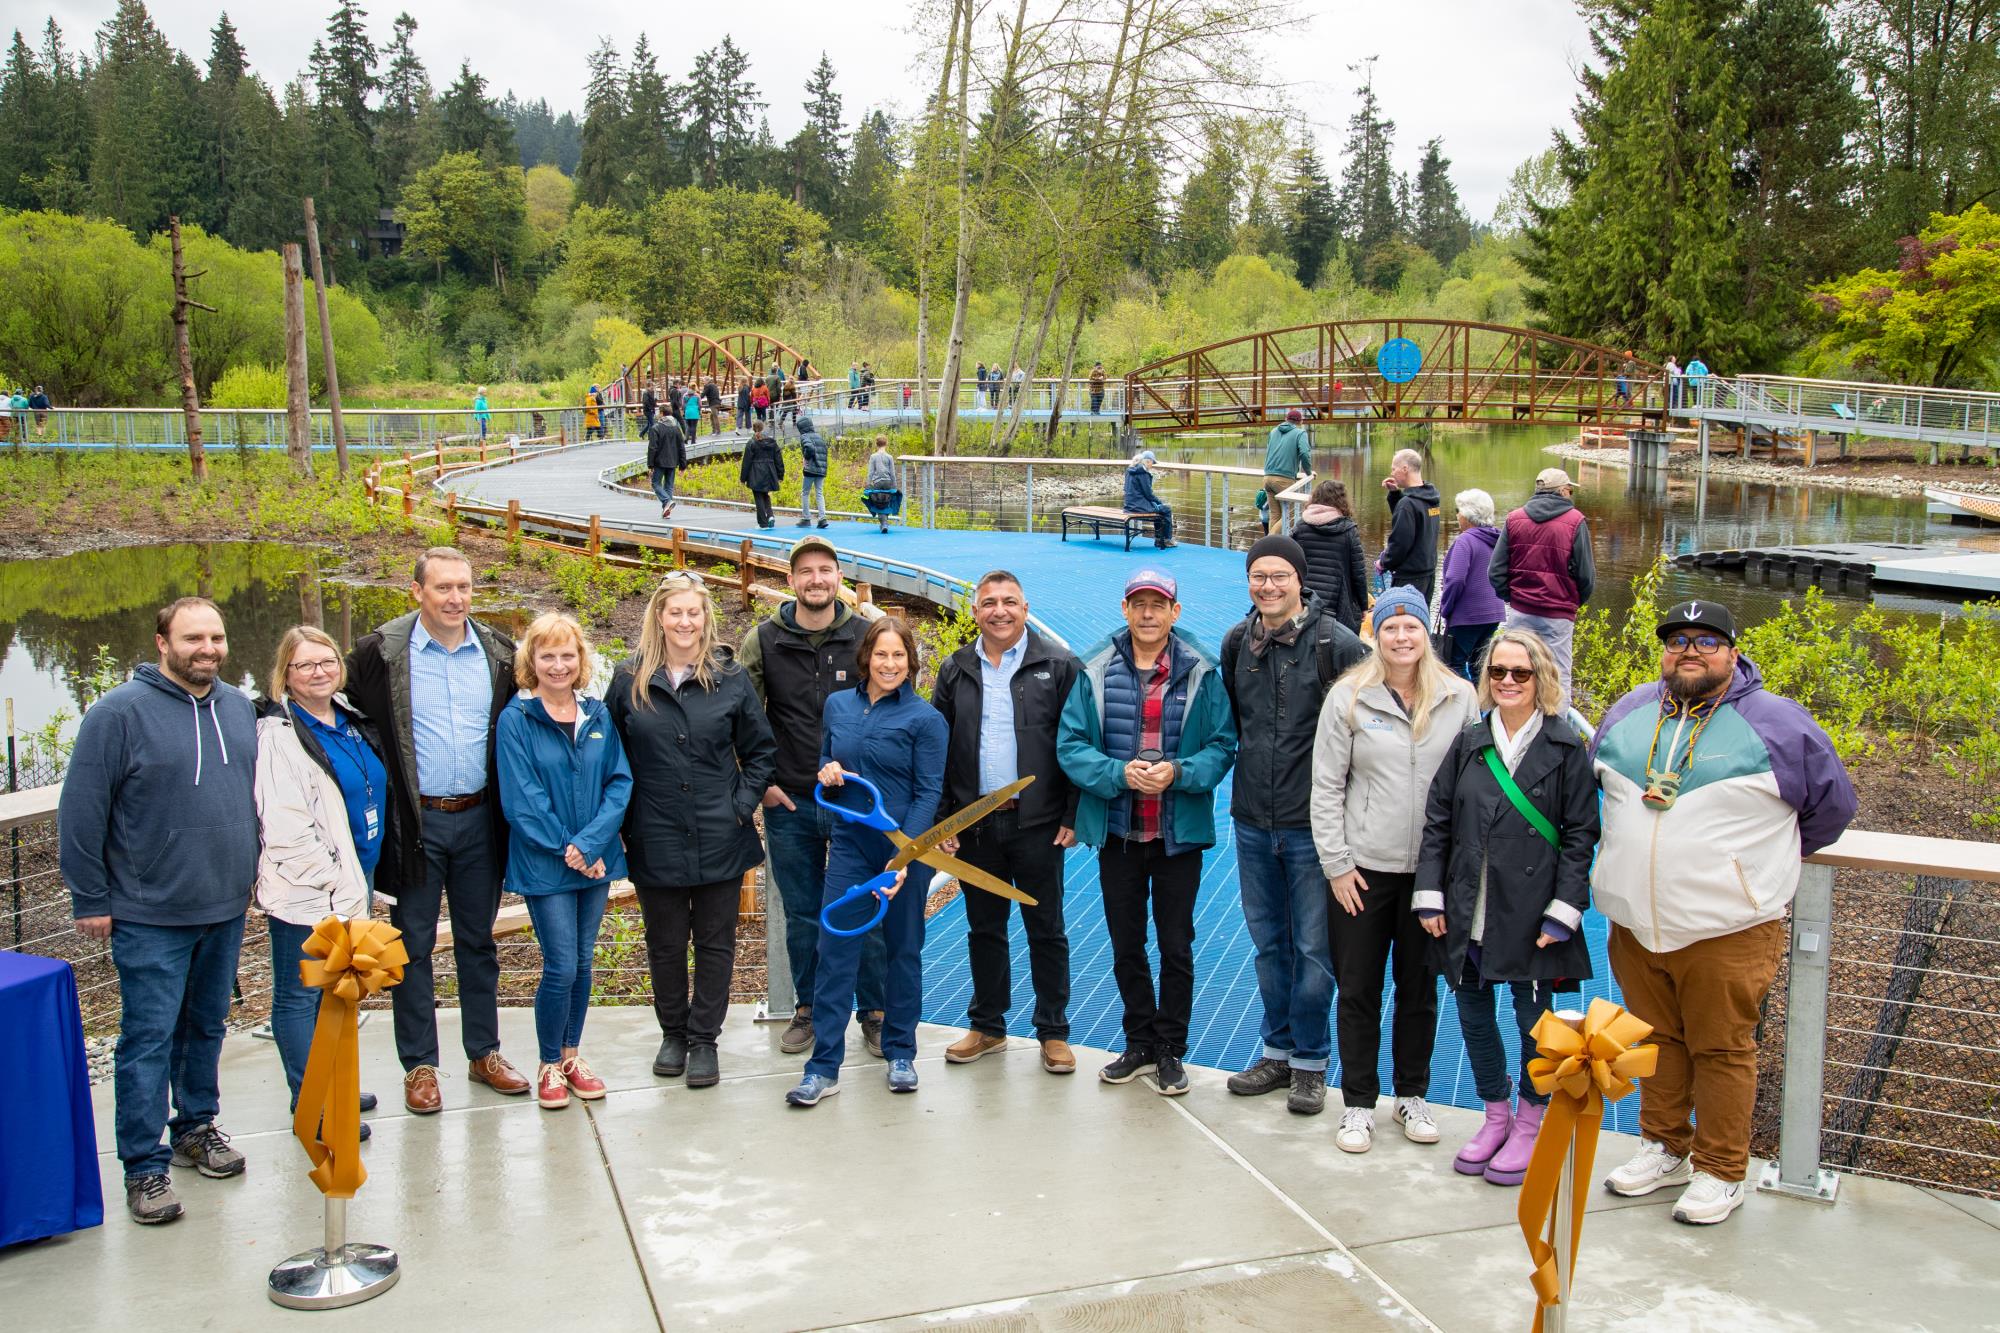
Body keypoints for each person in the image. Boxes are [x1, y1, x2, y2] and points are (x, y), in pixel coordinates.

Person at [1593, 600, 1856, 1225]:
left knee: (1723, 1049)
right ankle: (1664, 1148)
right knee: (1655, 1040)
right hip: (1635, 922)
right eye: (1677, 640)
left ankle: (1720, 1170)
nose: (1690, 651)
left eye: (1706, 641)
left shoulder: (1777, 723)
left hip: (1728, 927)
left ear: (1733, 653)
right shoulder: (1630, 710)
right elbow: (1596, 788)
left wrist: (1754, 872)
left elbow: (1832, 808)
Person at [61, 597, 261, 1224]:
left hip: (224, 905)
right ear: (161, 643)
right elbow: (81, 813)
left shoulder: (238, 708)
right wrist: (90, 897)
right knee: (147, 1039)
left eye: (217, 637)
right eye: (193, 638)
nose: (208, 648)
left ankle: (195, 1127)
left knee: (206, 1028)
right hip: (149, 912)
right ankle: (143, 1167)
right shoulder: (117, 715)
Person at [346, 547, 529, 1114]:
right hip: (416, 824)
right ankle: (420, 1066)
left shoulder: (499, 652)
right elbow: (331, 702)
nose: (455, 599)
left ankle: (484, 1053)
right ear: (417, 591)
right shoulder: (381, 652)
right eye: (443, 588)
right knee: (413, 947)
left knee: (479, 942)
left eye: (464, 588)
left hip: (479, 819)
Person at [1414, 629, 1598, 1185]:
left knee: (1533, 1023)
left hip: (1533, 908)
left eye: (1522, 673)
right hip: (1470, 904)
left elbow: (1581, 833)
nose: (1509, 682)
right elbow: (1439, 819)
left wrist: (1565, 908)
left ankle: (1529, 1121)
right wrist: (1430, 894)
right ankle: (1495, 1113)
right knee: (1472, 1014)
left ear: (1542, 678)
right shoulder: (1472, 739)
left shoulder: (1565, 745)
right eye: (1499, 672)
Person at [1056, 570, 1237, 1094]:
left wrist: (1179, 773)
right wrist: (1118, 774)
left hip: (1178, 833)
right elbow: (1070, 744)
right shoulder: (1094, 670)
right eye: (1139, 604)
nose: (1149, 614)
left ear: (1175, 612)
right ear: (1125, 608)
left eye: (1159, 604)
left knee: (1176, 944)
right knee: (1126, 942)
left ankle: (1170, 1049)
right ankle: (1138, 1039)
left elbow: (1223, 745)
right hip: (1119, 832)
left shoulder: (1202, 672)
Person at [1311, 585, 1476, 1153]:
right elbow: (1327, 785)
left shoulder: (1460, 697)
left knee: (1419, 988)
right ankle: (1357, 1102)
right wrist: (1336, 864)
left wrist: (1456, 871)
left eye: (1411, 628)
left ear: (1425, 633)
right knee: (1357, 987)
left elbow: (1474, 788)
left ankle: (1413, 1093)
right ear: (1374, 635)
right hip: (1363, 870)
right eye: (1390, 628)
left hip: (1430, 875)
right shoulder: (1349, 698)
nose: (1401, 638)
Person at [610, 574, 778, 1088]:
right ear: (658, 616)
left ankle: (705, 1038)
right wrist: (620, 821)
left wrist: (739, 805)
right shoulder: (629, 678)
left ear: (706, 618)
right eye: (675, 612)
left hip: (718, 832)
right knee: (663, 943)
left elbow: (761, 750)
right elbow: (609, 757)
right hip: (654, 832)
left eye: (694, 613)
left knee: (715, 942)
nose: (685, 622)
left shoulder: (728, 678)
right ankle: (674, 1033)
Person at [1220, 535, 1368, 1114]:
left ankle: (1310, 1061)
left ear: (1299, 581)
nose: (1269, 586)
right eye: (1259, 575)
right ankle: (1276, 1052)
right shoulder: (1239, 642)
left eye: (1280, 576)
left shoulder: (1339, 645)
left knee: (1312, 949)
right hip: (1253, 818)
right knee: (1267, 945)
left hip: (1315, 826)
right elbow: (1236, 720)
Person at [786, 617, 948, 1106]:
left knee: (903, 949)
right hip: (853, 846)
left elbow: (928, 794)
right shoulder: (838, 705)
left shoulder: (926, 719)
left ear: (911, 662)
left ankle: (901, 1053)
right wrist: (828, 769)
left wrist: (903, 859)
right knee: (836, 949)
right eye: (882, 654)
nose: (890, 664)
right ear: (866, 658)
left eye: (899, 655)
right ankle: (823, 1067)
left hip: (905, 851)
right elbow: (825, 764)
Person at [932, 572, 1082, 1074]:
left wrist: (1073, 811)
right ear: (974, 611)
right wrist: (943, 819)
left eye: (1010, 602)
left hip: (1037, 823)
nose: (1000, 611)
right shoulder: (955, 670)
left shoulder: (1058, 665)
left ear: (1025, 607)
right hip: (976, 825)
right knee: (984, 928)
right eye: (989, 603)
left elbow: (1080, 743)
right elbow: (939, 749)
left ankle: (1053, 1032)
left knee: (1046, 928)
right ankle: (989, 1026)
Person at [740, 537, 884, 1058]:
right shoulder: (763, 640)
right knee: (802, 914)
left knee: (863, 906)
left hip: (857, 805)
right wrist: (765, 786)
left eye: (826, 570)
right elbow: (743, 717)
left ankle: (874, 1009)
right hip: (793, 803)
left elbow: (891, 708)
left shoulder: (867, 636)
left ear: (838, 576)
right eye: (807, 571)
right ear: (791, 580)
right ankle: (808, 1007)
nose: (817, 579)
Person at [255, 626, 391, 1144]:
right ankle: (310, 1103)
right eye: (304, 665)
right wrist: (331, 889)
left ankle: (334, 1082)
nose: (318, 672)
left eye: (326, 661)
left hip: (357, 876)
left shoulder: (347, 719)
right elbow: (287, 826)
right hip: (310, 890)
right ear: (285, 675)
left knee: (338, 990)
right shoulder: (280, 734)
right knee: (299, 995)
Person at [498, 613, 633, 1110]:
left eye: (567, 655)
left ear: (582, 660)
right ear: (531, 661)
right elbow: (522, 797)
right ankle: (548, 1062)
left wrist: (592, 845)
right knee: (559, 966)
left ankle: (573, 1055)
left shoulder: (597, 715)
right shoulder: (518, 719)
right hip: (546, 864)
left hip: (593, 861)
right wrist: (570, 850)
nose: (558, 665)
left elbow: (619, 782)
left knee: (582, 961)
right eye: (547, 655)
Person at [1489, 468, 1594, 707]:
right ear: (1562, 491)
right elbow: (1586, 576)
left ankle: (1515, 721)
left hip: (1521, 612)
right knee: (1558, 676)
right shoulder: (1575, 521)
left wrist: (1512, 597)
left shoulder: (1514, 519)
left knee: (1516, 672)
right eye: (1569, 489)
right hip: (1558, 615)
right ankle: (1557, 736)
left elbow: (1495, 571)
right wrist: (1571, 603)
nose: (1570, 494)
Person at [1439, 489, 1505, 681]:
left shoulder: (1465, 541)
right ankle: (1482, 708)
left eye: (1458, 511)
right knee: (1479, 667)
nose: (1457, 515)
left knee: (1453, 666)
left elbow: (1455, 579)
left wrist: (1446, 607)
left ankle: (1463, 707)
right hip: (1493, 613)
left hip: (1467, 615)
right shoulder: (1497, 539)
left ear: (1468, 515)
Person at [1290, 478, 1369, 633]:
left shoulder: (1300, 527)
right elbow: (1358, 573)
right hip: (1338, 603)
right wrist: (1363, 605)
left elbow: (1290, 564)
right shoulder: (1348, 530)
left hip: (1305, 599)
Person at [1377, 448, 1442, 600]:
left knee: (1404, 622)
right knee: (1419, 622)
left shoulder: (1408, 504)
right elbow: (1410, 524)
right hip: (1428, 574)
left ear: (1405, 469)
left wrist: (1384, 562)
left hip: (1409, 579)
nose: (1392, 473)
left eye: (1394, 469)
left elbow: (1400, 543)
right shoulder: (1431, 498)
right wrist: (1395, 494)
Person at [1262, 408, 1313, 535]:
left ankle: (1273, 546)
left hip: (1268, 477)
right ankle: (1269, 540)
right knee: (1292, 514)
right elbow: (1305, 454)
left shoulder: (1273, 431)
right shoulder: (1300, 433)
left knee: (1275, 515)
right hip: (1283, 479)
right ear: (1300, 421)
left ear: (1286, 419)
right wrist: (1309, 472)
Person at [1123, 449, 1176, 549]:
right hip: (1139, 506)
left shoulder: (1130, 470)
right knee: (1166, 510)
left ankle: (1159, 540)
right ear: (1148, 461)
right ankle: (1166, 540)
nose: (1152, 465)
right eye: (1152, 463)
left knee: (1159, 510)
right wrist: (1160, 502)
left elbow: (1125, 489)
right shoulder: (1143, 473)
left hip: (1129, 506)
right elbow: (1149, 495)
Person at [741, 421, 784, 528]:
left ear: (753, 429)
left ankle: (763, 523)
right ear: (763, 428)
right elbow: (779, 459)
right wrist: (780, 474)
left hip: (756, 472)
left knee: (758, 496)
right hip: (770, 472)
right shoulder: (772, 442)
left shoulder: (751, 443)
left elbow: (746, 462)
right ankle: (770, 516)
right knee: (765, 494)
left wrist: (743, 478)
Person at [646, 407, 687, 518]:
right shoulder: (676, 428)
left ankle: (666, 501)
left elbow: (652, 447)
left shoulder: (656, 428)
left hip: (659, 461)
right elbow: (681, 447)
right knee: (668, 486)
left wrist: (650, 464)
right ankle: (666, 510)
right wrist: (683, 465)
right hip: (673, 462)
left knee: (656, 483)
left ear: (662, 414)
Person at [796, 415, 830, 529]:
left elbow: (809, 448)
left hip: (810, 468)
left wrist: (806, 458)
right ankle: (822, 518)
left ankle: (806, 518)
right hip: (821, 469)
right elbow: (824, 451)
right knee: (819, 493)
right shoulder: (819, 436)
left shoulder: (804, 436)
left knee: (805, 493)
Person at [863, 436, 902, 533]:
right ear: (886, 444)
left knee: (878, 501)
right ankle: (884, 522)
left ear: (876, 444)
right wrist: (894, 486)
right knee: (887, 500)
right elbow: (892, 473)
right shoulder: (889, 457)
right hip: (888, 482)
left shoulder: (873, 457)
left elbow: (870, 472)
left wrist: (868, 485)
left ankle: (883, 523)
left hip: (877, 482)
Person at [682, 376, 703, 444]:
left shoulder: (685, 395)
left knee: (688, 426)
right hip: (695, 412)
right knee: (694, 426)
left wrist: (684, 411)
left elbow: (683, 405)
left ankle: (686, 438)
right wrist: (699, 410)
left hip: (688, 412)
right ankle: (693, 441)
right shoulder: (697, 395)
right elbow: (700, 405)